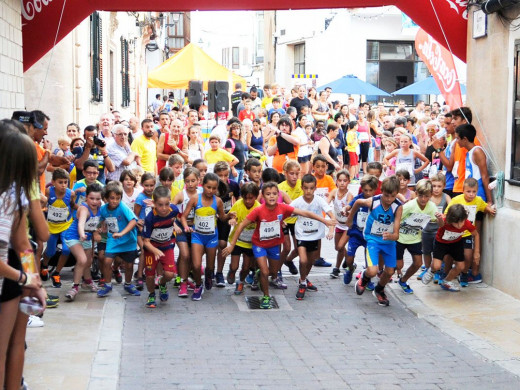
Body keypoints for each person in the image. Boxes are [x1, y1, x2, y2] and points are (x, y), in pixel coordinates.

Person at [222, 182, 334, 309]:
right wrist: (232, 245)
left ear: (278, 195)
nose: (272, 196)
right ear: (263, 196)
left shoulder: (283, 208)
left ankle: (260, 275)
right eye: (268, 194)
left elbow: (305, 213)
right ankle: (266, 296)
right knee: (265, 271)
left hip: (274, 245)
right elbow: (241, 226)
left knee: (273, 272)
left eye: (274, 194)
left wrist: (325, 221)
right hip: (259, 245)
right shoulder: (258, 210)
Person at [0, 120, 47, 389]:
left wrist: (30, 280)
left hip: (11, 275)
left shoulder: (16, 195)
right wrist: (29, 279)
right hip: (13, 274)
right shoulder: (20, 193)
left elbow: (23, 244)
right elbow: (28, 242)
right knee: (13, 343)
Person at [348, 176, 403, 306]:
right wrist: (350, 218)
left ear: (397, 194)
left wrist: (393, 236)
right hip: (372, 239)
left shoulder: (398, 207)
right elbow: (357, 202)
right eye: (386, 195)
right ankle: (364, 278)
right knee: (373, 271)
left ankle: (379, 290)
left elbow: (396, 233)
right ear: (381, 191)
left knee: (389, 271)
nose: (389, 199)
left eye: (392, 196)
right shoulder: (373, 201)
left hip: (388, 242)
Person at [180, 173, 235, 300]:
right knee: (196, 265)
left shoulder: (218, 201)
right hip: (197, 236)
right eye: (208, 187)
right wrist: (186, 227)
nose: (210, 191)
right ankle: (198, 286)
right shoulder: (195, 198)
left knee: (210, 267)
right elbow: (183, 216)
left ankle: (209, 275)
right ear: (203, 185)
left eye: (214, 188)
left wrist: (229, 215)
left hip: (211, 237)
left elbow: (222, 217)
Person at [444, 178, 496, 285]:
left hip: (467, 234)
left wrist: (489, 209)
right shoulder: (456, 200)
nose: (471, 194)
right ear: (463, 190)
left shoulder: (478, 200)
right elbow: (446, 214)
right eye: (468, 191)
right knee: (448, 255)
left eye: (474, 192)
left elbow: (483, 206)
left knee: (468, 256)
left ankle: (464, 274)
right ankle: (446, 274)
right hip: (454, 233)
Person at [395, 179, 442, 294]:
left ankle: (403, 280)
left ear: (430, 196)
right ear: (416, 194)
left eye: (426, 196)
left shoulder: (431, 207)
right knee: (398, 265)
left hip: (415, 239)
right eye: (420, 196)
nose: (423, 199)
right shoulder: (409, 206)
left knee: (418, 263)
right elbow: (396, 218)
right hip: (400, 238)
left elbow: (440, 225)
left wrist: (440, 218)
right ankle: (391, 272)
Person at [293, 174, 335, 300]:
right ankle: (302, 283)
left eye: (311, 188)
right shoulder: (298, 201)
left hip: (315, 235)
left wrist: (331, 230)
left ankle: (303, 279)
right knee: (303, 260)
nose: (308, 191)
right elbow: (286, 210)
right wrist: (282, 221)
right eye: (306, 188)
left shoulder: (319, 200)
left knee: (311, 261)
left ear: (315, 188)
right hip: (301, 234)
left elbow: (331, 216)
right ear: (302, 188)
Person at [96, 182, 139, 298]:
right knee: (107, 261)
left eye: (118, 198)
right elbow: (100, 220)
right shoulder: (103, 209)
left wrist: (122, 233)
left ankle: (128, 284)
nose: (115, 201)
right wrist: (100, 228)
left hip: (128, 240)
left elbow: (134, 221)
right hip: (113, 240)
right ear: (106, 198)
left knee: (129, 266)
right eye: (112, 198)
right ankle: (107, 284)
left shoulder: (123, 207)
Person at [421, 204, 478, 292]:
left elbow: (476, 234)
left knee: (461, 266)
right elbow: (440, 224)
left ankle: (447, 281)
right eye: (456, 223)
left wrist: (477, 251)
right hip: (441, 243)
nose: (459, 226)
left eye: (461, 222)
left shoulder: (467, 224)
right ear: (450, 220)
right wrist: (439, 219)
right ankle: (431, 271)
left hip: (456, 243)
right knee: (436, 266)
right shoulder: (445, 221)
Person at [63, 183, 103, 301]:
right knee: (82, 260)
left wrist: (100, 230)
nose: (94, 201)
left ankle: (87, 281)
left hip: (87, 236)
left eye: (97, 199)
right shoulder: (84, 208)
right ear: (86, 197)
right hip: (74, 236)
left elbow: (100, 222)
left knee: (88, 261)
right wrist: (81, 234)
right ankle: (74, 287)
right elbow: (81, 223)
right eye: (91, 198)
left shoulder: (101, 207)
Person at [142, 186, 180, 308]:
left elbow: (173, 218)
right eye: (160, 205)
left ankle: (162, 284)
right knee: (150, 275)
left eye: (166, 204)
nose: (164, 208)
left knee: (169, 274)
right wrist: (155, 250)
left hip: (167, 246)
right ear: (154, 204)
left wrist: (175, 225)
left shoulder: (174, 210)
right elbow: (145, 242)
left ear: (170, 201)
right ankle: (151, 294)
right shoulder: (150, 218)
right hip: (152, 249)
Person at [337, 175, 379, 285]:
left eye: (370, 190)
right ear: (362, 189)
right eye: (365, 190)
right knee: (349, 259)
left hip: (369, 236)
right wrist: (344, 209)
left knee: (368, 261)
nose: (368, 193)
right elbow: (349, 206)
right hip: (355, 234)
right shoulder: (358, 199)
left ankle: (367, 279)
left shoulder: (377, 202)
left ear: (375, 190)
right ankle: (350, 269)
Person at [41, 168, 77, 288]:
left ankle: (57, 273)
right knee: (50, 252)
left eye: (65, 182)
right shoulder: (48, 192)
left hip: (66, 226)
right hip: (51, 227)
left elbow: (72, 206)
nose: (63, 185)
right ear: (53, 182)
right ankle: (45, 265)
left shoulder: (70, 193)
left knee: (66, 250)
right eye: (60, 182)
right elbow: (42, 206)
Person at [226, 183, 261, 295]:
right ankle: (231, 271)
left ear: (256, 197)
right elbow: (233, 215)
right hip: (237, 240)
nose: (248, 201)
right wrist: (232, 219)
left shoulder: (259, 207)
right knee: (234, 265)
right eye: (245, 198)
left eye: (251, 198)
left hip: (250, 243)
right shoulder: (238, 204)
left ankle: (240, 281)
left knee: (246, 267)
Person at [172, 167, 200, 297]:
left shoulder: (201, 193)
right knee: (185, 255)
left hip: (195, 228)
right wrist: (173, 225)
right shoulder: (180, 194)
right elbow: (169, 211)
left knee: (189, 257)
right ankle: (183, 283)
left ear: (198, 180)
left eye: (193, 181)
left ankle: (183, 277)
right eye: (187, 181)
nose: (190, 184)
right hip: (181, 227)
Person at [419, 173, 451, 280]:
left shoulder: (446, 197)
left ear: (444, 186)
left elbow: (451, 208)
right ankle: (428, 270)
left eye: (439, 186)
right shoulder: (428, 197)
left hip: (440, 229)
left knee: (438, 252)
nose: (436, 189)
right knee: (426, 251)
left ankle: (437, 271)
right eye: (434, 186)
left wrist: (445, 215)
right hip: (426, 229)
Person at [214, 162, 240, 287]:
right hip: (211, 218)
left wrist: (235, 215)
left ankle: (219, 272)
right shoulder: (212, 186)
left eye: (225, 175)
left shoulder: (233, 185)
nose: (223, 178)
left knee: (223, 244)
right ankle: (208, 270)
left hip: (226, 218)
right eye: (220, 175)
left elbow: (239, 200)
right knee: (209, 247)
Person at [278, 160, 303, 277]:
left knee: (299, 249)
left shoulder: (302, 185)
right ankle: (277, 269)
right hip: (284, 222)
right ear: (285, 173)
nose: (294, 176)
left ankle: (287, 260)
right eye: (291, 173)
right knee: (286, 247)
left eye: (297, 174)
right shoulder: (280, 187)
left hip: (297, 221)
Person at [328, 170, 354, 278]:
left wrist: (346, 209)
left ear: (348, 182)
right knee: (337, 248)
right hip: (338, 223)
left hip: (347, 226)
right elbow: (326, 203)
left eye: (345, 180)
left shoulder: (349, 195)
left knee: (340, 246)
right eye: (340, 180)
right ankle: (349, 260)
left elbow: (348, 206)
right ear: (336, 181)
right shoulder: (334, 192)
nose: (342, 183)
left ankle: (336, 269)